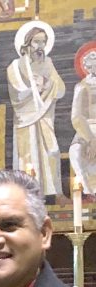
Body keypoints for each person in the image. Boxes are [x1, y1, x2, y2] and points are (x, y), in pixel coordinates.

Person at [7, 21, 66, 198]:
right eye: (36, 42)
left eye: (43, 42)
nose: (40, 46)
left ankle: (55, 192)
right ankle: (30, 196)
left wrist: (46, 83)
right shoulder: (15, 67)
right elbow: (16, 92)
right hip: (25, 119)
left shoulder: (48, 63)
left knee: (52, 151)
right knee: (28, 157)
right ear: (27, 44)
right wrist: (35, 86)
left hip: (45, 117)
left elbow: (60, 88)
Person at [69, 48, 96, 197]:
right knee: (76, 152)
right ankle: (89, 192)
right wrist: (91, 139)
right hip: (88, 129)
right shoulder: (82, 87)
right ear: (87, 67)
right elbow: (77, 116)